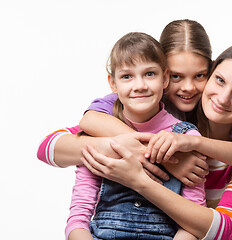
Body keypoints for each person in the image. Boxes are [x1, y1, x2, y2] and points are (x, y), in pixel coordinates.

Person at [81, 43, 232, 239]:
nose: (223, 98)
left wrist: (193, 144)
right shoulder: (153, 111)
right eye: (219, 80)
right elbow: (60, 140)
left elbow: (227, 230)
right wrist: (161, 157)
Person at [67, 32, 207, 240]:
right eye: (127, 76)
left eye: (150, 74)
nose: (139, 85)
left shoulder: (185, 135)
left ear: (165, 78)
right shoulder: (96, 134)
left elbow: (193, 222)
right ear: (113, 84)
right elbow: (78, 218)